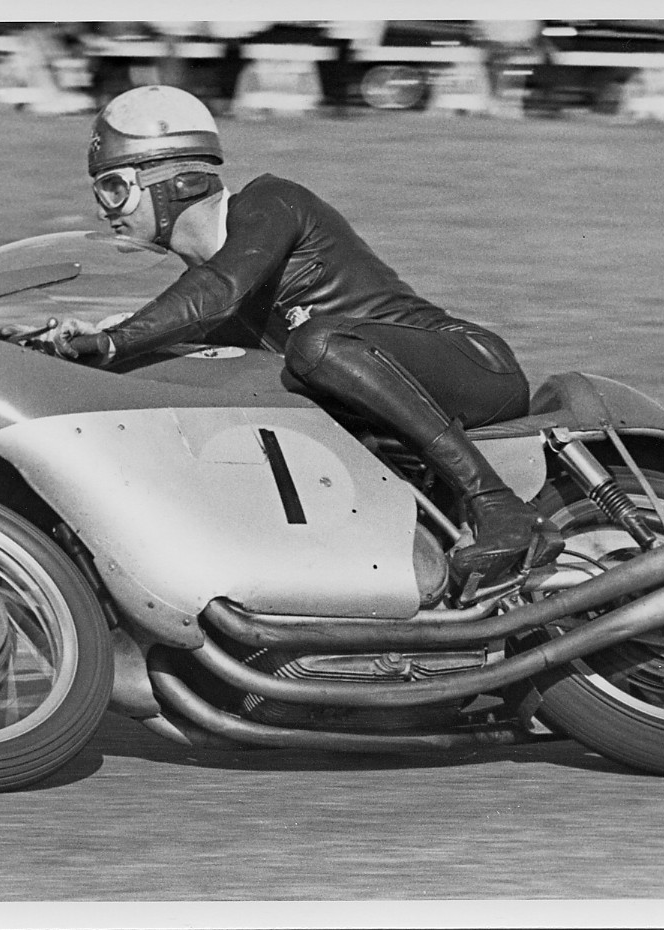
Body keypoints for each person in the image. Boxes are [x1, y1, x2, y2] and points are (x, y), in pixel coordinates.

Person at [50, 84, 560, 583]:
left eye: (113, 188)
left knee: (316, 345)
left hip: (473, 366)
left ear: (175, 182)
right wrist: (72, 346)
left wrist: (118, 338)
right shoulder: (216, 299)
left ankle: (498, 505)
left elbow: (217, 289)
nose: (102, 210)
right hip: (399, 397)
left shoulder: (272, 203)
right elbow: (197, 320)